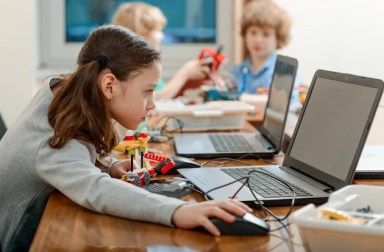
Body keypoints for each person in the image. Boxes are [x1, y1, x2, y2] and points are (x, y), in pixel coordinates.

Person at [0, 25, 251, 252]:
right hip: (17, 241)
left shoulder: (62, 94)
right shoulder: (54, 134)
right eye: (148, 91)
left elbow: (74, 158)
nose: (153, 103)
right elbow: (96, 189)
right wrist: (178, 211)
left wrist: (107, 165)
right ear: (109, 86)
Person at [112, 2, 213, 100]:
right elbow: (153, 98)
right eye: (158, 30)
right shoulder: (129, 69)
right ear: (140, 34)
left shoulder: (147, 65)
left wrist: (186, 83)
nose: (162, 36)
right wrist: (185, 73)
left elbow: (163, 93)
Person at [230, 0, 301, 109]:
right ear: (245, 34)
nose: (258, 40)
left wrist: (236, 98)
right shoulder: (237, 71)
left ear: (278, 38)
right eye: (253, 32)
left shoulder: (284, 70)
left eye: (266, 34)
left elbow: (282, 103)